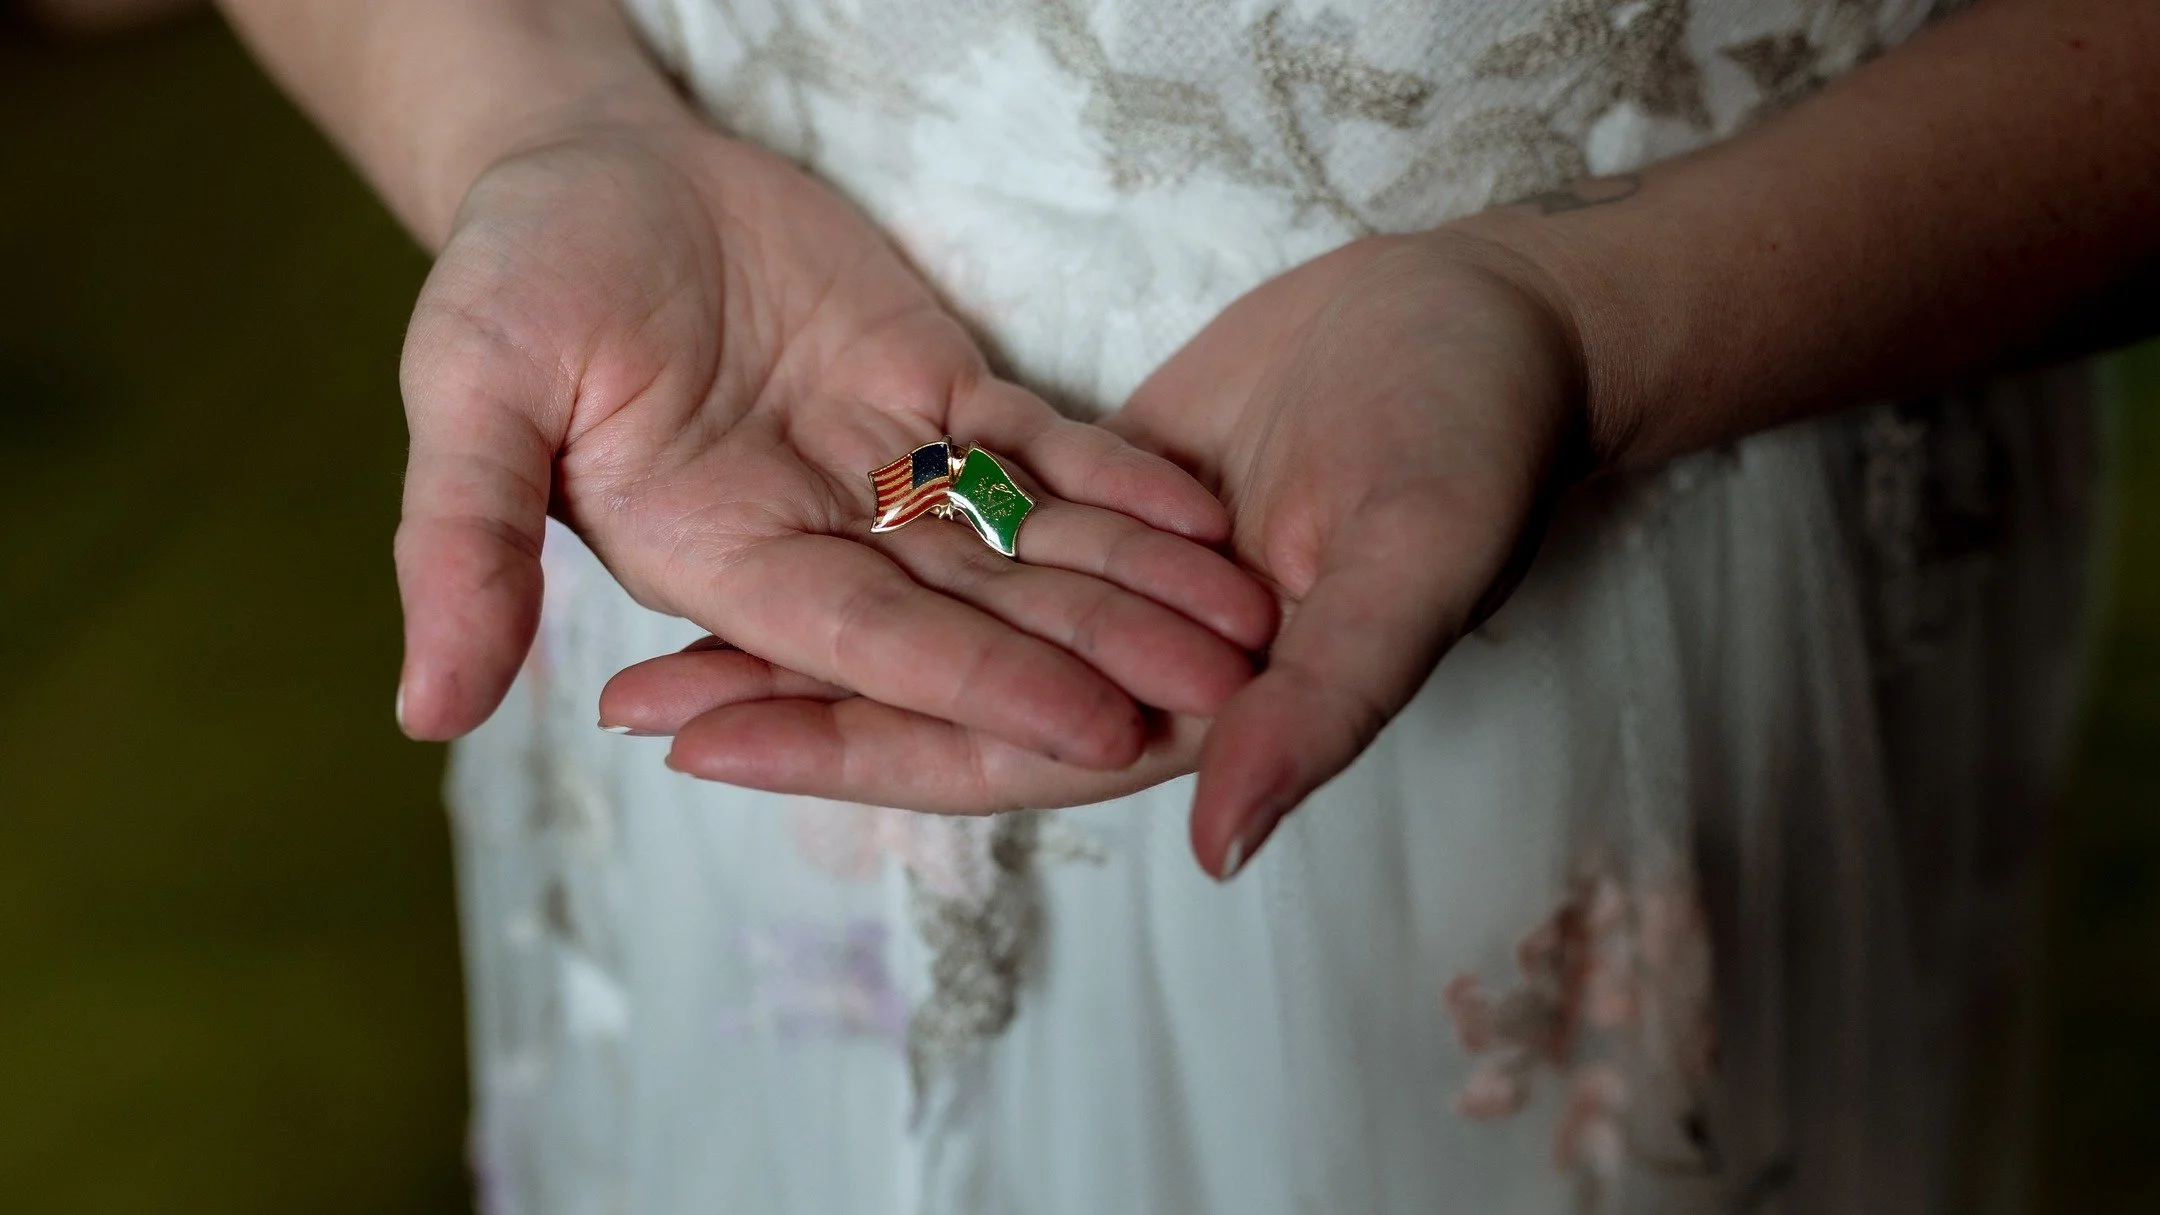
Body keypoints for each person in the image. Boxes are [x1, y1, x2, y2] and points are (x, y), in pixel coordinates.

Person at [210, 0, 2155, 1211]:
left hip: (1654, 462)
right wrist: (536, 118)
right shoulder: (890, 475)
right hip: (746, 459)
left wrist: (1597, 319)